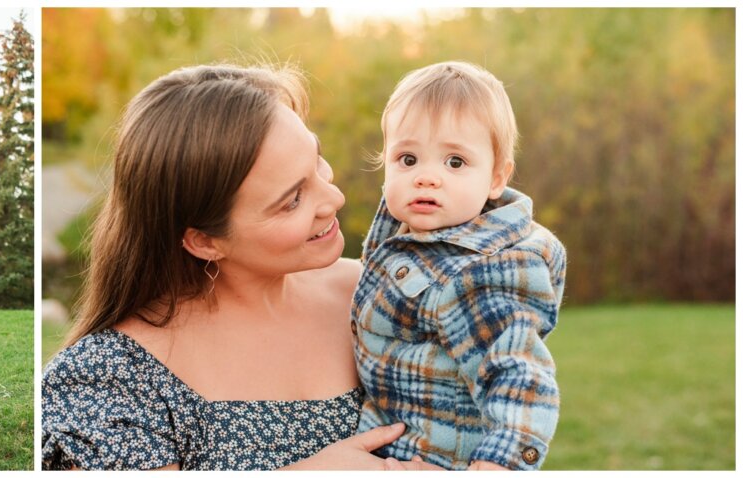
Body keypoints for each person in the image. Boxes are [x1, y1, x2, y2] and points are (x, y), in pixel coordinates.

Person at [41, 63, 443, 471]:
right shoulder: (110, 379)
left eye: (317, 161)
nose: (334, 198)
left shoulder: (380, 295)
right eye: (292, 200)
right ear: (205, 241)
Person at [351, 61, 567, 470]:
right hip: (394, 442)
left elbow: (518, 373)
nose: (426, 177)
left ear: (495, 179)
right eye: (407, 158)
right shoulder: (407, 236)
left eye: (454, 162)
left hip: (441, 458)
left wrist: (499, 463)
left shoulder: (477, 274)